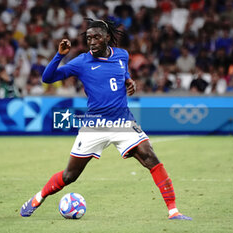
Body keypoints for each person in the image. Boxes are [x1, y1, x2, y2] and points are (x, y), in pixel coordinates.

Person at [20, 19, 192, 220]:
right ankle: (37, 198)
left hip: (123, 122)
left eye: (96, 37)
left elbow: (123, 74)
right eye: (89, 38)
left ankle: (173, 211)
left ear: (107, 38)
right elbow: (47, 79)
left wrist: (129, 82)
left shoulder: (122, 55)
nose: (92, 42)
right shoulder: (81, 62)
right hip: (95, 126)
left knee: (150, 157)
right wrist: (60, 55)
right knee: (70, 176)